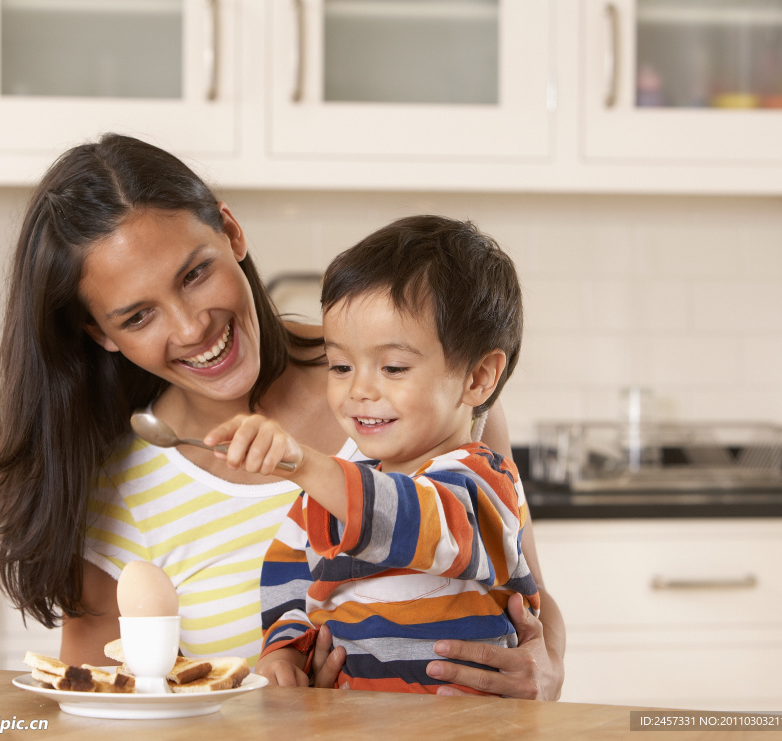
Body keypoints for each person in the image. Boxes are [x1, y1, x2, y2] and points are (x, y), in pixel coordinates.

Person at [0, 132, 565, 699]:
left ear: (231, 232)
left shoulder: (424, 389)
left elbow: (525, 588)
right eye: (136, 317)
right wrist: (272, 692)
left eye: (194, 273)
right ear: (100, 334)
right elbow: (109, 701)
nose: (190, 327)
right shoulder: (118, 489)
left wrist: (546, 668)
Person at [204, 216, 540, 693]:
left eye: (393, 367)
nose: (359, 389)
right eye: (340, 365)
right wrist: (282, 651)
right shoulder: (324, 500)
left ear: (479, 377)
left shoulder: (484, 483)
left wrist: (305, 462)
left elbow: (419, 525)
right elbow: (289, 585)